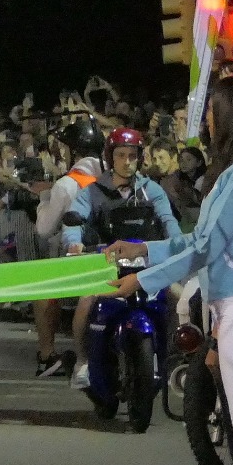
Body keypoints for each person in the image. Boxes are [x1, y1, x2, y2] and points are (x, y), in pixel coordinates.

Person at [104, 75, 233, 465]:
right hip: (227, 305)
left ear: (229, 116)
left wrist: (143, 280)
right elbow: (195, 240)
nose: (205, 119)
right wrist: (142, 250)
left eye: (211, 111)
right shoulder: (229, 173)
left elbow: (206, 248)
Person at [64, 126, 182, 390]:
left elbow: (168, 220)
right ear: (110, 157)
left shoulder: (152, 190)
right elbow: (75, 220)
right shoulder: (92, 191)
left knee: (178, 297)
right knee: (86, 301)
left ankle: (175, 355)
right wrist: (74, 242)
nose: (127, 162)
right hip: (105, 264)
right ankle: (82, 362)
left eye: (132, 156)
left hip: (146, 265)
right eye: (121, 155)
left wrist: (175, 241)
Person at [30, 116, 105, 377]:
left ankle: (47, 356)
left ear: (73, 150)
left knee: (42, 288)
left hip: (81, 258)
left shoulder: (66, 184)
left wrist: (44, 198)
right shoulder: (113, 177)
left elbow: (44, 229)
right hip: (117, 255)